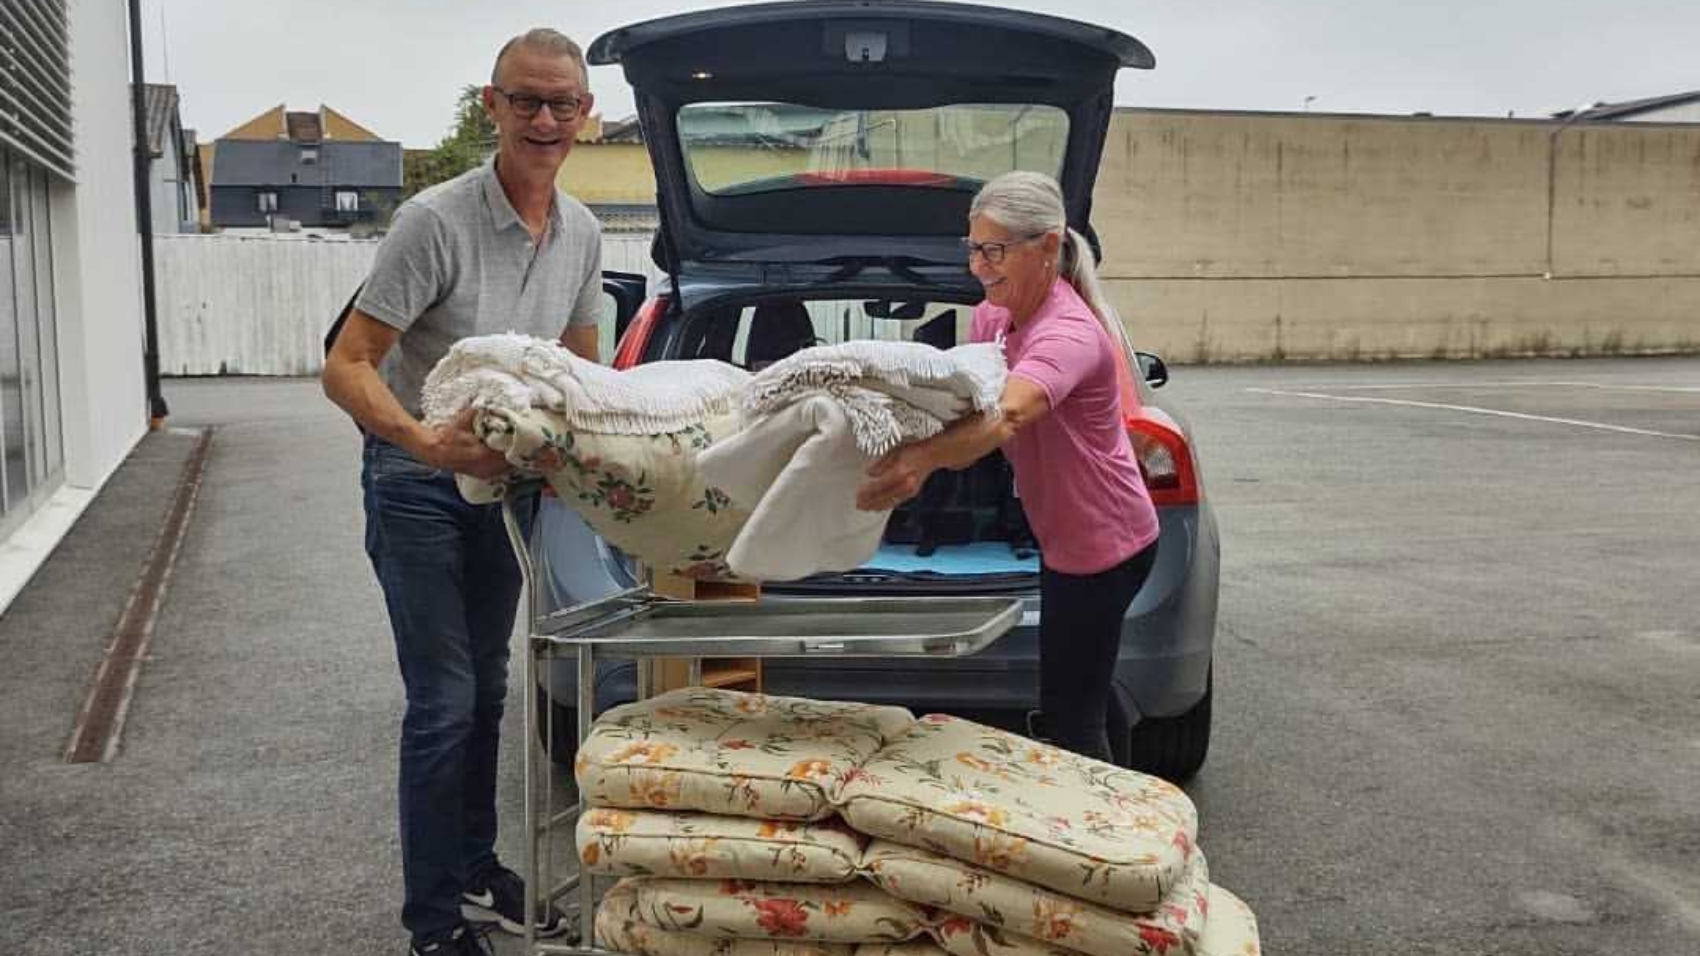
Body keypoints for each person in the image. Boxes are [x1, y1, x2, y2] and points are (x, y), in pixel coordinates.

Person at [321, 28, 602, 956]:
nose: (545, 118)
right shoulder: (433, 222)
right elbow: (347, 365)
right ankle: (433, 922)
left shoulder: (586, 233)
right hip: (416, 484)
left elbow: (583, 374)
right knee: (442, 701)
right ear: (492, 105)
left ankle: (476, 863)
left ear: (586, 116)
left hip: (509, 493)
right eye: (525, 100)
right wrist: (424, 445)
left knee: (487, 691)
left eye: (562, 102)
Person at [855, 171, 1160, 764]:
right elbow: (964, 401)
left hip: (1105, 544)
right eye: (973, 248)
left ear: (1047, 246)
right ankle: (1134, 798)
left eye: (994, 251)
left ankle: (1094, 841)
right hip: (1066, 536)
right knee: (1086, 690)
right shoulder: (993, 319)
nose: (979, 266)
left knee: (1071, 713)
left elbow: (1007, 418)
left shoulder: (1069, 334)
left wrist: (919, 461)